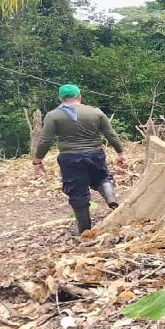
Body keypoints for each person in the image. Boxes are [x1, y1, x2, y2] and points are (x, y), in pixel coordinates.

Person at [33, 84, 127, 234]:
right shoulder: (95, 112)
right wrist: (120, 153)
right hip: (95, 153)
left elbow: (45, 140)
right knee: (102, 178)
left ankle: (84, 228)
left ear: (60, 98)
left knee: (77, 191)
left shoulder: (53, 115)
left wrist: (38, 160)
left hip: (70, 158)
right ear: (79, 96)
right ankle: (111, 199)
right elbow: (111, 134)